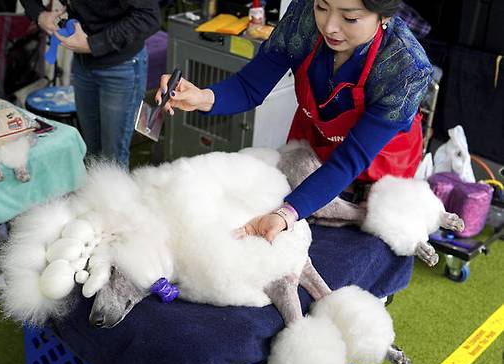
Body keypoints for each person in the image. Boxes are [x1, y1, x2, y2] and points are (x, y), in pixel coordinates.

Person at [158, 0, 432, 241]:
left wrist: (287, 213)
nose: (330, 27)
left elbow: (351, 158)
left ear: (383, 17)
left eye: (350, 18)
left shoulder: (406, 67)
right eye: (322, 7)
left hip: (378, 157)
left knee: (372, 227)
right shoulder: (303, 19)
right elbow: (249, 87)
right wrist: (202, 97)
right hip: (316, 136)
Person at [20, 0, 160, 168]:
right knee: (90, 151)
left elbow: (148, 16)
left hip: (122, 65)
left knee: (112, 159)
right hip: (83, 62)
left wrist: (92, 44)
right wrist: (39, 14)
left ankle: (112, 194)